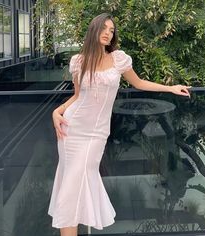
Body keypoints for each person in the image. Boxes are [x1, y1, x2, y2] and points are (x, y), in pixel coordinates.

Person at [48, 13, 191, 236]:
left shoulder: (118, 59)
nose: (108, 33)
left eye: (111, 30)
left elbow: (139, 83)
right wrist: (56, 111)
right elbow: (77, 96)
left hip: (95, 134)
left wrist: (170, 88)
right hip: (71, 129)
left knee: (76, 183)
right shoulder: (78, 61)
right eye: (104, 28)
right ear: (94, 30)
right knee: (71, 186)